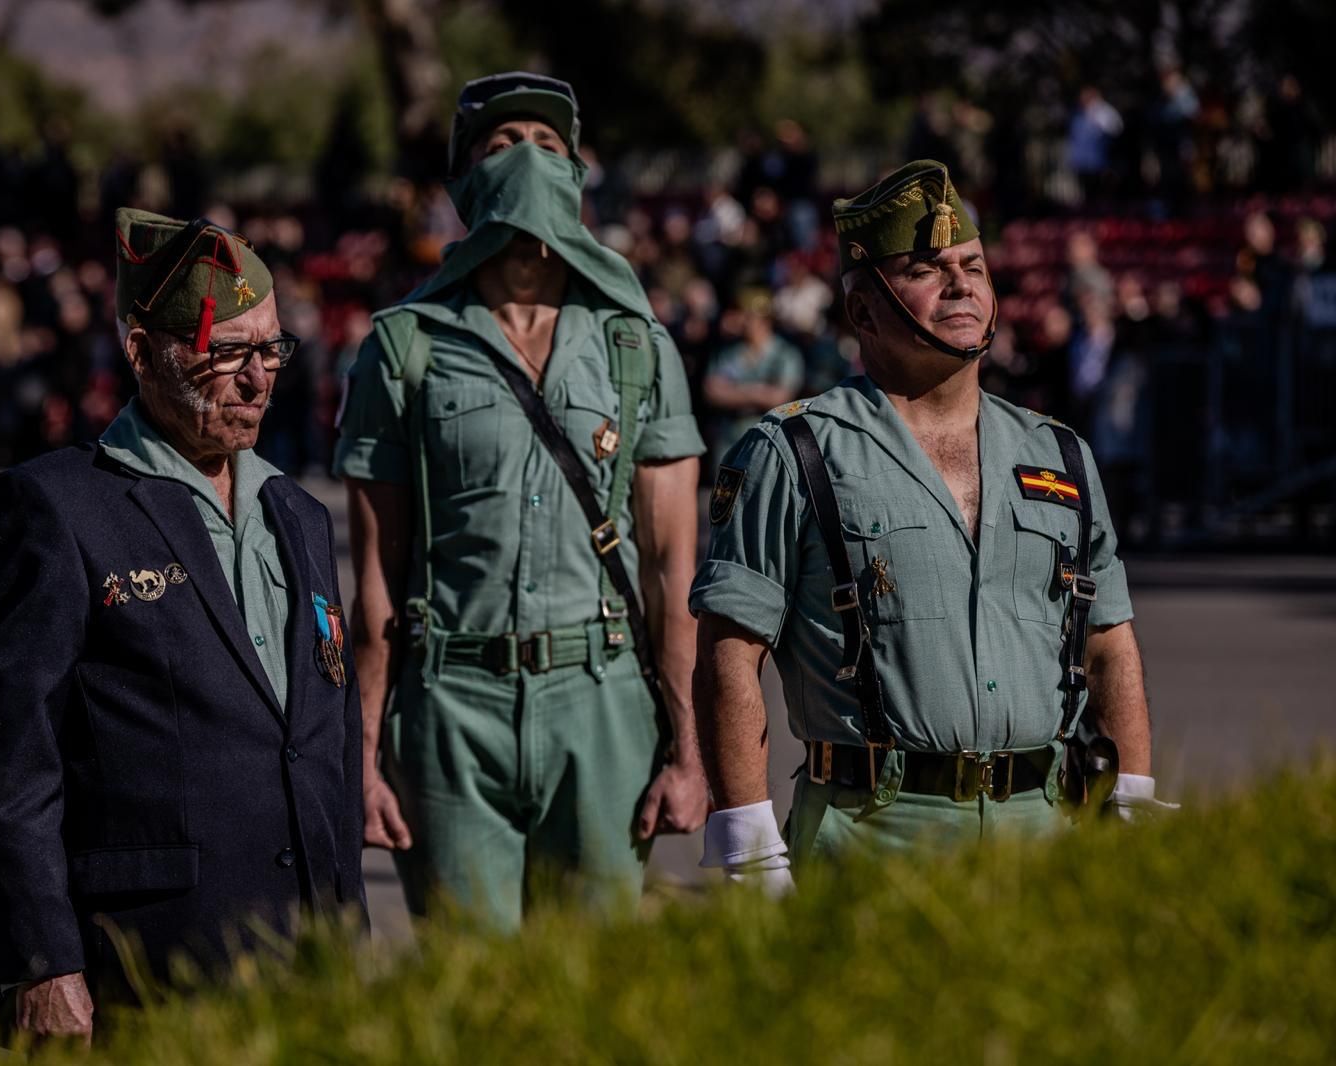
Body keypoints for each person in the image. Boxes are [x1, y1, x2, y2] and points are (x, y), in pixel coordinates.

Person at [691, 160, 1173, 893]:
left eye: (973, 265)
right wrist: (748, 846)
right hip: (868, 832)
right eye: (925, 268)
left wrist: (1133, 804)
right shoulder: (792, 452)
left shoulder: (1061, 454)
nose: (961, 284)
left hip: (1044, 832)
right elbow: (730, 656)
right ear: (862, 312)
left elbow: (1110, 643)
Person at [0, 209, 365, 1044]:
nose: (257, 380)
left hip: (311, 959)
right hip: (148, 963)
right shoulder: (60, 508)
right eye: (226, 353)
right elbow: (12, 761)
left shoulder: (296, 512)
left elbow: (319, 736)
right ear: (143, 353)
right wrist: (40, 961)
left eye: (271, 350)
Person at [335, 72, 709, 931]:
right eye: (502, 148)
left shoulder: (635, 345)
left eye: (548, 146)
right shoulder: (405, 346)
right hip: (449, 706)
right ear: (463, 185)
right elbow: (376, 585)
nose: (528, 163)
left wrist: (688, 754)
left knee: (592, 994)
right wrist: (360, 761)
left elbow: (671, 570)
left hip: (602, 699)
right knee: (473, 993)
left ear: (578, 174)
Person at [702, 288, 805, 464]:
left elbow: (780, 397)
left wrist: (734, 392)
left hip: (769, 440)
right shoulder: (729, 352)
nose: (739, 320)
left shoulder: (784, 354)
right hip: (730, 440)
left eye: (746, 315)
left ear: (763, 320)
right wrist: (757, 392)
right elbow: (712, 391)